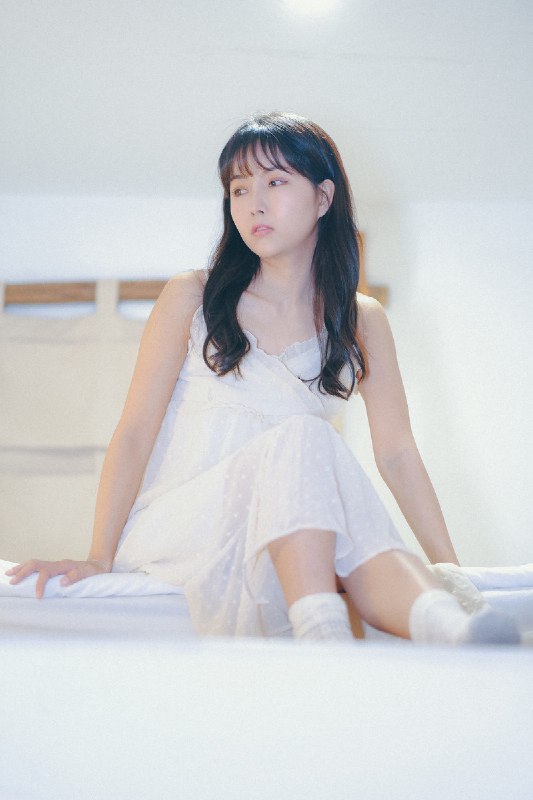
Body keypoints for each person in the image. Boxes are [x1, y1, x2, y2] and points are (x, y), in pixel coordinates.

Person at [6, 111, 520, 645]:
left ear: (323, 198)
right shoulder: (192, 296)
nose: (254, 203)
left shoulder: (361, 319)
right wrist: (99, 557)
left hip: (298, 535)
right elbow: (135, 431)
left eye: (275, 182)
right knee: (307, 436)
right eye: (239, 188)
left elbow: (397, 453)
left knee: (342, 507)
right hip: (184, 528)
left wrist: (451, 567)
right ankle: (325, 633)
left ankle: (455, 629)